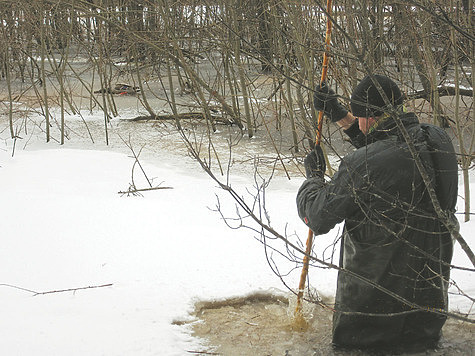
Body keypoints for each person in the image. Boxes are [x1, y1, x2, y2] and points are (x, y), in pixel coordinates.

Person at [296, 74, 458, 352]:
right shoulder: (437, 141)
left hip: (369, 324)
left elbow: (318, 216)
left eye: (360, 117)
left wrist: (313, 178)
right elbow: (389, 156)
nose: (358, 123)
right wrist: (340, 115)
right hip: (426, 317)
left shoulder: (365, 164)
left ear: (369, 118)